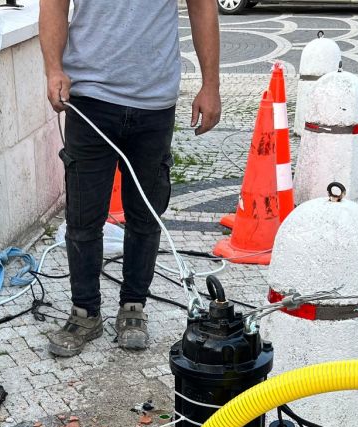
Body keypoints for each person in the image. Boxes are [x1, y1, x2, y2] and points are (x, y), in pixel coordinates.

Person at [38, 0, 221, 357]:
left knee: (146, 214)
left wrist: (210, 85)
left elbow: (203, 6)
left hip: (154, 101)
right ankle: (84, 312)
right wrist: (53, 69)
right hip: (89, 97)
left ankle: (133, 307)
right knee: (83, 216)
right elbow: (54, 5)